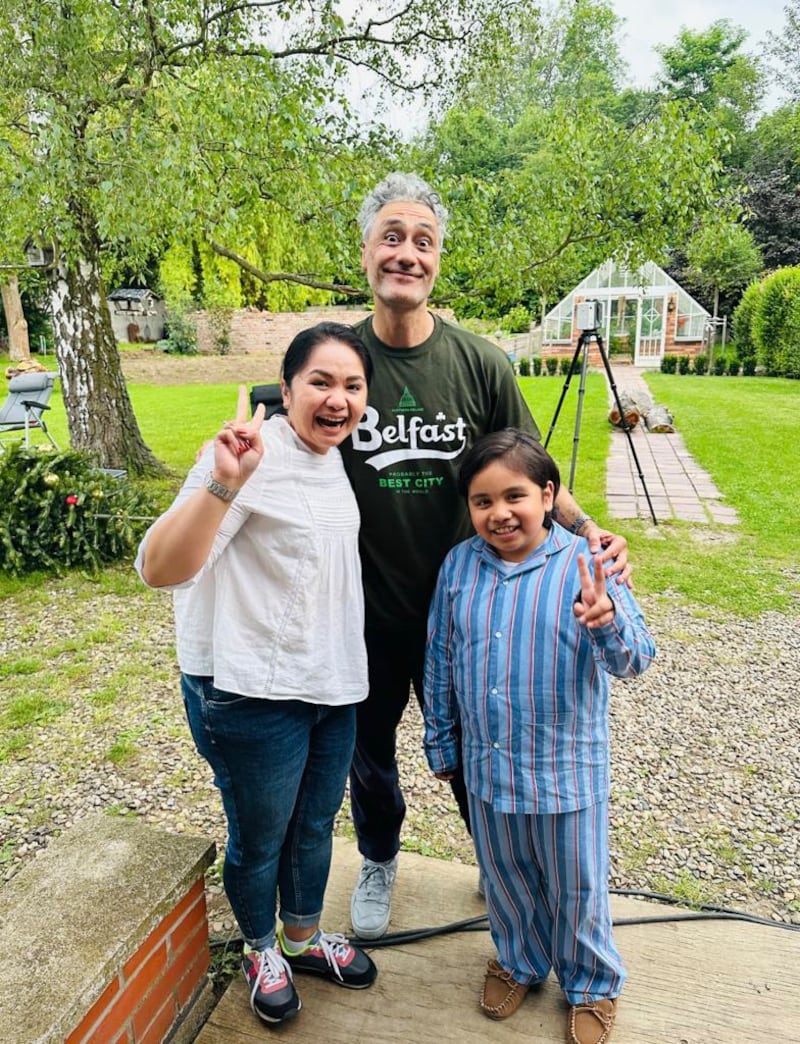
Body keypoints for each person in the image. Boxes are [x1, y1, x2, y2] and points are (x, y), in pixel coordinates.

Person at [339, 171, 632, 940]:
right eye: (392, 237)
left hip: (471, 609)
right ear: (366, 251)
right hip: (362, 607)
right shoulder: (338, 365)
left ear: (438, 260)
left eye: (423, 242)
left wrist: (590, 533)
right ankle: (378, 857)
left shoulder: (480, 364)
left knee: (474, 747)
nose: (407, 253)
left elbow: (534, 474)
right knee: (367, 753)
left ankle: (498, 860)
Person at [135, 323, 378, 1027]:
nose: (338, 399)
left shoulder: (333, 455)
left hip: (329, 685)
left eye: (352, 385)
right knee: (260, 835)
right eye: (321, 382)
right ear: (288, 384)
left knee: (313, 828)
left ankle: (301, 938)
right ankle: (260, 946)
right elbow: (159, 569)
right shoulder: (248, 454)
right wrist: (221, 481)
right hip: (250, 693)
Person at [423, 429, 655, 1044]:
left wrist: (606, 623)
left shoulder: (589, 562)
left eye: (515, 496)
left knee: (577, 884)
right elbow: (441, 657)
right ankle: (520, 958)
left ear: (548, 495)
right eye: (482, 501)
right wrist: (441, 742)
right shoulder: (458, 567)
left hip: (565, 771)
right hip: (488, 769)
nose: (499, 514)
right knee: (505, 876)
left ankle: (592, 982)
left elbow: (637, 659)